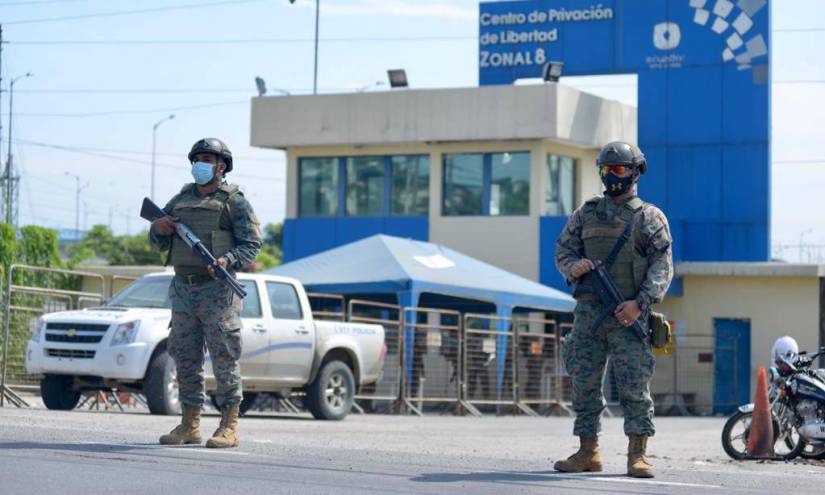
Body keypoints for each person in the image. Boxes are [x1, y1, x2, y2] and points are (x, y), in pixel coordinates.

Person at [553, 142, 673, 478]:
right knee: (584, 383)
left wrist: (640, 305)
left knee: (634, 386)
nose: (612, 176)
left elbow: (662, 266)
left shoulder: (648, 217)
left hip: (628, 314)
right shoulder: (585, 213)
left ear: (635, 172)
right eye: (607, 170)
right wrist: (572, 267)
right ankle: (587, 451)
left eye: (619, 169)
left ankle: (638, 455)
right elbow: (563, 249)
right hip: (590, 313)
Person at [149, 138, 262, 448]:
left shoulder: (234, 201)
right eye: (197, 158)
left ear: (221, 165)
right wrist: (158, 228)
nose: (202, 163)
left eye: (208, 159)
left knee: (225, 358)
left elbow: (252, 243)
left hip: (218, 292)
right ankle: (189, 424)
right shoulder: (181, 199)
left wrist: (228, 260)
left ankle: (229, 426)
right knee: (185, 357)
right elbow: (159, 241)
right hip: (183, 289)